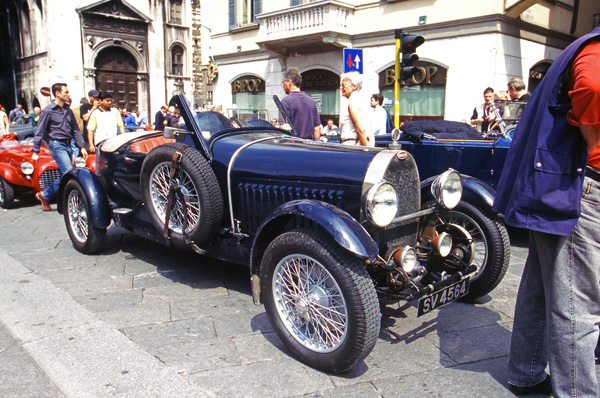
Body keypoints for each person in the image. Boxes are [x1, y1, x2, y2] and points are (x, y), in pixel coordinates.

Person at [493, 26, 600, 397]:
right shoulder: (595, 49)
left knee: (541, 285)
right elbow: (592, 88)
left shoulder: (584, 45)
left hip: (561, 184)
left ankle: (525, 373)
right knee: (578, 307)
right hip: (580, 185)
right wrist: (594, 138)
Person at [32, 83, 88, 211]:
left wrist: (82, 146)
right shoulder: (47, 111)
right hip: (57, 145)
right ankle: (71, 199)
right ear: (57, 93)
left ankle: (45, 195)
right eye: (66, 92)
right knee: (69, 172)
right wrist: (35, 150)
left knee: (67, 173)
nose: (68, 94)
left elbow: (75, 130)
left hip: (69, 144)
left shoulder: (68, 111)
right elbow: (39, 131)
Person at [280, 67, 321, 140]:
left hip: (294, 146)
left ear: (289, 82)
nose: (283, 87)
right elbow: (317, 129)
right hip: (309, 146)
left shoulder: (286, 102)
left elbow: (284, 127)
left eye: (284, 83)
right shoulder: (311, 102)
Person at [339, 72, 372, 146]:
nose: (341, 88)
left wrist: (366, 149)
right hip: (357, 143)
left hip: (352, 144)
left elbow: (360, 130)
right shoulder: (362, 100)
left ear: (354, 86)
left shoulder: (353, 101)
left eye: (344, 85)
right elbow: (369, 130)